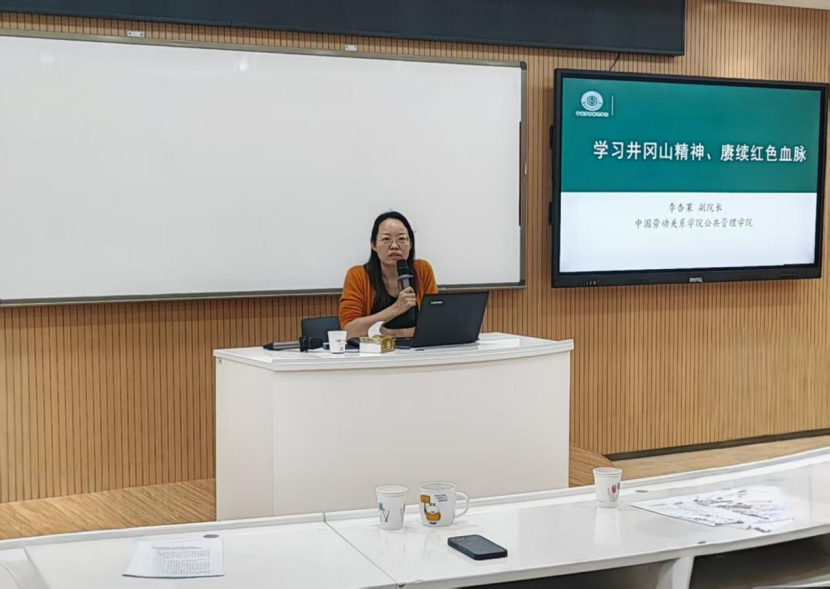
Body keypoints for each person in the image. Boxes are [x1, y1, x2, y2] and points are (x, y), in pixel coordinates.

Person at [339, 212, 437, 339]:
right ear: (373, 245)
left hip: (416, 349)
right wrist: (396, 308)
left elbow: (434, 325)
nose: (395, 246)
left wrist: (391, 334)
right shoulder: (357, 275)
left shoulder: (423, 270)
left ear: (410, 244)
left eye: (402, 239)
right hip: (374, 350)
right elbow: (349, 331)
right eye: (386, 239)